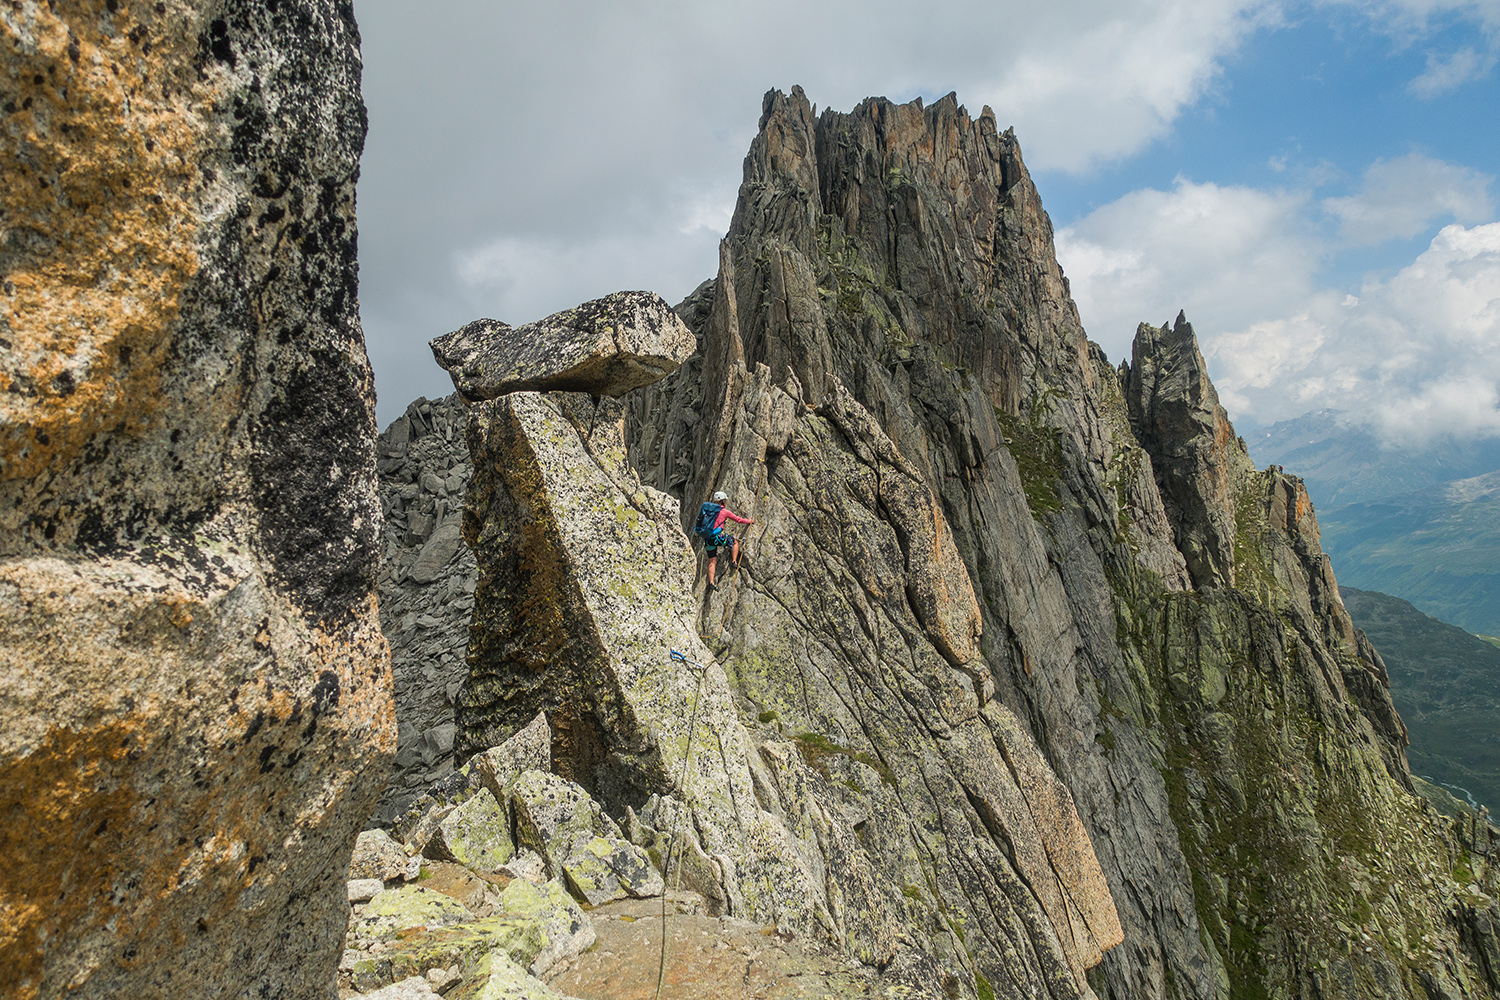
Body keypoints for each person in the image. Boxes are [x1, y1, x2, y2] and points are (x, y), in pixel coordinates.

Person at [701, 490, 753, 590]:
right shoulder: (724, 511)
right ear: (723, 501)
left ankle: (712, 582)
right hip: (718, 537)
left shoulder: (708, 511)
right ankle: (734, 561)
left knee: (712, 561)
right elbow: (738, 519)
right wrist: (749, 521)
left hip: (708, 539)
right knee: (734, 542)